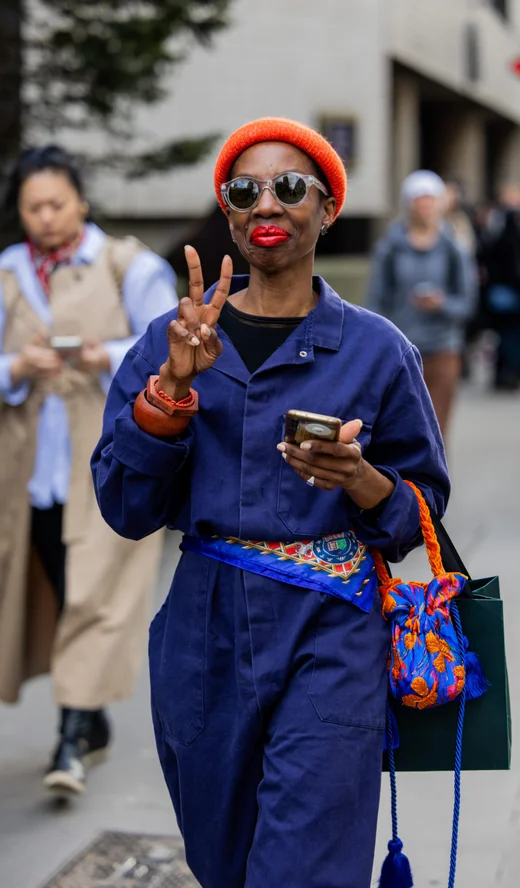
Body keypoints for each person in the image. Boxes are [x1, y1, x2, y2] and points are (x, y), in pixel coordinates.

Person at [91, 118, 450, 888]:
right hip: (204, 633)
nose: (267, 202)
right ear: (227, 213)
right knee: (224, 864)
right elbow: (124, 506)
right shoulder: (172, 339)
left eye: (290, 187)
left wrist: (359, 477)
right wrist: (171, 394)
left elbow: (421, 509)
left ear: (326, 210)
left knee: (303, 870)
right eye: (245, 189)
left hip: (332, 631)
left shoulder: (378, 349)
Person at [0, 146, 178, 795]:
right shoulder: (8, 271)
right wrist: (17, 370)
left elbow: (166, 344)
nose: (45, 218)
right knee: (55, 583)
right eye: (32, 207)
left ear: (81, 202)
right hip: (27, 469)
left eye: (56, 203)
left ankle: (72, 736)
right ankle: (91, 715)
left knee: (93, 593)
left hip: (106, 460)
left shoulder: (127, 265)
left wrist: (109, 358)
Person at [366, 169, 475, 439]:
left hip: (442, 348)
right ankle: (403, 482)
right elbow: (376, 300)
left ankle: (436, 481)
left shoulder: (452, 247)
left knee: (437, 428)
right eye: (418, 199)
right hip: (402, 349)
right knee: (400, 428)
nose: (424, 206)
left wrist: (442, 304)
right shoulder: (391, 246)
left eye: (429, 199)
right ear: (408, 203)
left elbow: (467, 303)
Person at [480, 184, 520, 390]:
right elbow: (514, 263)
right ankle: (509, 374)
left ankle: (505, 374)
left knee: (503, 337)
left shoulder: (496, 230)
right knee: (510, 337)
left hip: (499, 290)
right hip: (508, 292)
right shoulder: (509, 232)